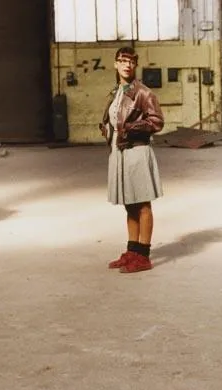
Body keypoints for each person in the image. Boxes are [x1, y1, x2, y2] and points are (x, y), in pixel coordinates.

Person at [99, 47, 164, 273]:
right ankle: (132, 250)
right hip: (120, 151)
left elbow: (156, 122)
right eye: (122, 61)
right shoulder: (116, 91)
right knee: (130, 203)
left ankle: (143, 255)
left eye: (131, 61)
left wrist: (130, 128)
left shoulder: (143, 93)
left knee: (142, 203)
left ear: (135, 65)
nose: (126, 65)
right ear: (115, 64)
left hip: (137, 150)